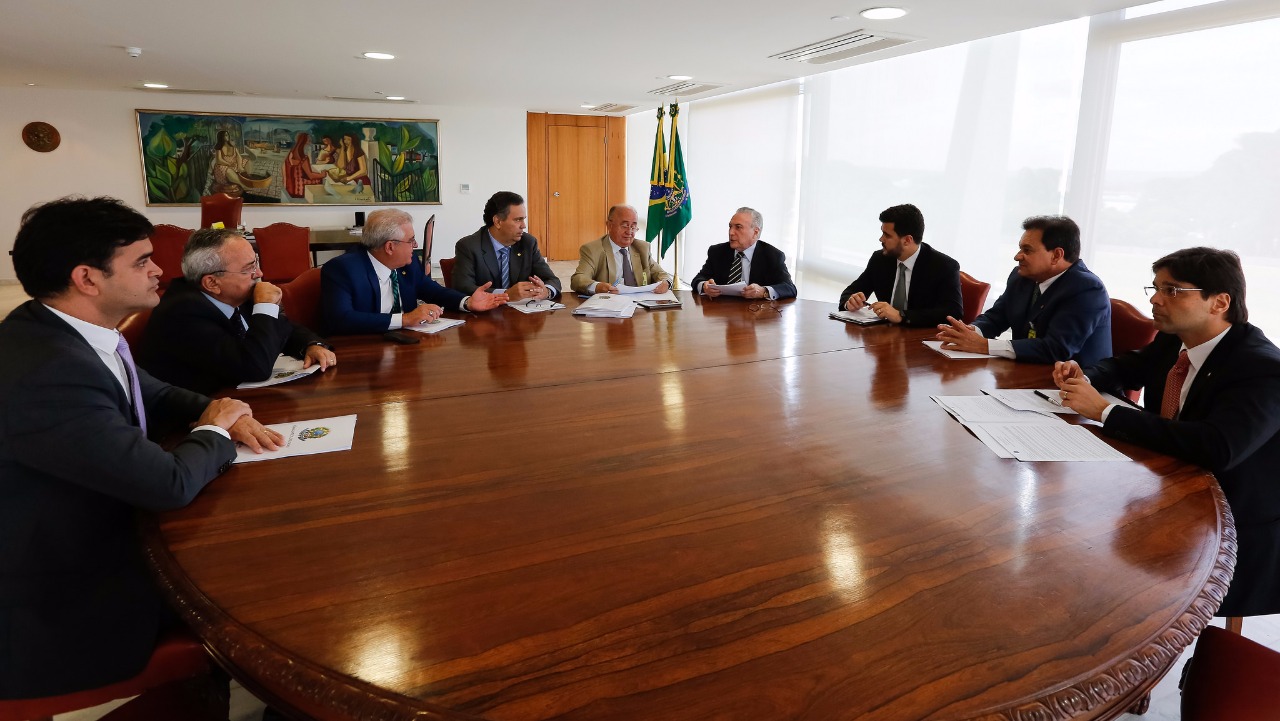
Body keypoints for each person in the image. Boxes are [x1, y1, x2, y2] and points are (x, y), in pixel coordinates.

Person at [0, 196, 282, 699]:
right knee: (271, 583)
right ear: (87, 278)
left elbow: (145, 388)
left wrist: (217, 411)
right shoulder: (47, 370)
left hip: (95, 531)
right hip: (66, 598)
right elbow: (167, 484)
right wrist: (214, 431)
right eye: (142, 261)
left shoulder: (60, 327)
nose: (159, 271)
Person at [1054, 248, 1280, 617]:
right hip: (1167, 484)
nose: (1155, 300)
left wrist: (1105, 411)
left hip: (1229, 526)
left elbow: (1217, 446)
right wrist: (1086, 375)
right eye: (1155, 288)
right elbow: (1129, 365)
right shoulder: (1175, 339)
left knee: (1103, 577)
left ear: (1219, 302)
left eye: (1172, 291)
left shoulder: (1263, 369)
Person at [137, 228, 336, 394]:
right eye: (248, 269)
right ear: (212, 282)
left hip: (236, 399)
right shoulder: (182, 314)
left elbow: (283, 328)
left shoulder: (231, 294)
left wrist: (311, 345)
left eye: (256, 263)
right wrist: (265, 307)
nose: (259, 274)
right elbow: (254, 368)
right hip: (186, 424)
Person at [935, 215, 1111, 366]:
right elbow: (997, 317)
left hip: (1078, 388)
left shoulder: (1086, 289)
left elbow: (1056, 349)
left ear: (1056, 255)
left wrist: (984, 345)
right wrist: (969, 333)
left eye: (1027, 250)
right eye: (1020, 248)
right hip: (1026, 372)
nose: (1017, 256)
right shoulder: (1021, 276)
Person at [321, 208, 508, 334]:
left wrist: (467, 302)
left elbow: (434, 291)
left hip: (405, 346)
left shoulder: (408, 265)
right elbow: (341, 319)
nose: (416, 245)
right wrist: (404, 319)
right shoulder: (342, 270)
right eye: (411, 240)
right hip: (362, 352)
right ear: (389, 247)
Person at [838, 203, 962, 326]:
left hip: (918, 338)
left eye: (887, 235)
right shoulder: (880, 259)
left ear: (907, 240)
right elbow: (851, 291)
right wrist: (850, 302)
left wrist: (901, 315)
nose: (881, 239)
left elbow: (953, 313)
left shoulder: (944, 266)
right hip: (883, 336)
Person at [453, 191, 563, 301]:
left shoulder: (528, 243)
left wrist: (546, 291)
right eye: (518, 220)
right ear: (498, 222)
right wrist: (505, 294)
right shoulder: (469, 246)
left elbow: (552, 280)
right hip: (484, 314)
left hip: (522, 314)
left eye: (523, 219)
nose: (523, 225)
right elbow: (463, 287)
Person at [692, 207, 796, 300]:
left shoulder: (772, 255)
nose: (731, 232)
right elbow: (698, 280)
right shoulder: (717, 251)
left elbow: (790, 288)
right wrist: (704, 286)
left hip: (756, 316)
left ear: (755, 232)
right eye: (730, 226)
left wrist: (763, 291)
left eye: (738, 227)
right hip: (722, 315)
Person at [570, 205, 671, 295]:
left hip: (640, 307)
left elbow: (661, 274)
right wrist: (597, 286)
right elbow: (578, 279)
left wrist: (666, 282)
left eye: (633, 226)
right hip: (611, 307)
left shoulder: (642, 248)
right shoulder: (592, 249)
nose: (629, 231)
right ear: (609, 225)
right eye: (625, 225)